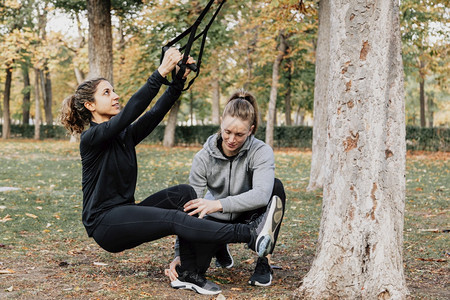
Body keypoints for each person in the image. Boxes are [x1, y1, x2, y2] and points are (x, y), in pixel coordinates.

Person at [59, 48, 284, 295]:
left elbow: (154, 114)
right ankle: (250, 235)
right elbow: (130, 112)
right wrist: (161, 72)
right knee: (173, 219)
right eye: (107, 92)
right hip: (104, 223)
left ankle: (189, 272)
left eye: (113, 90)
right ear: (90, 105)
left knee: (185, 195)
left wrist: (177, 81)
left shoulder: (123, 136)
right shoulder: (91, 138)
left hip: (124, 212)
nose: (115, 95)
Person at [165, 89, 286, 288]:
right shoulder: (203, 158)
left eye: (239, 134)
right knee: (194, 268)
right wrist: (180, 255)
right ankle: (219, 243)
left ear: (251, 129)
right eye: (227, 132)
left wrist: (218, 204)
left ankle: (264, 261)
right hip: (215, 221)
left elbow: (262, 195)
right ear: (221, 122)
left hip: (249, 215)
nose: (231, 139)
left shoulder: (261, 152)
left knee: (275, 188)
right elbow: (189, 208)